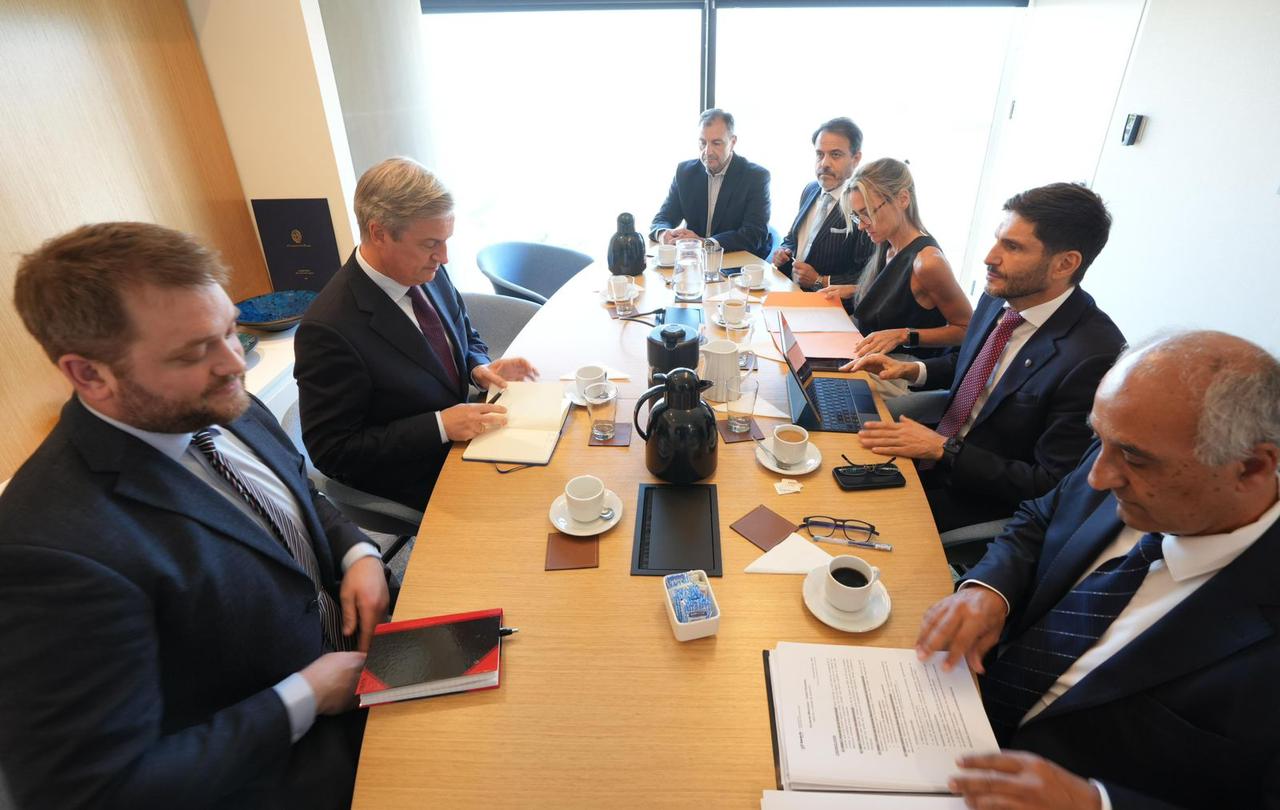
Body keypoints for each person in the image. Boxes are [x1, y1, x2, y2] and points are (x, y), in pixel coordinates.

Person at [0, 222, 389, 809]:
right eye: (193, 352)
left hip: (366, 658)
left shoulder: (220, 401)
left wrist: (356, 552)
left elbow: (300, 496)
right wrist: (306, 695)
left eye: (231, 330)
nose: (234, 363)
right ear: (89, 374)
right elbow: (95, 791)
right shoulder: (50, 548)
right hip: (287, 769)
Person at [920, 331, 1280, 809]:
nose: (1098, 476)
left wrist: (1096, 804)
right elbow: (1041, 517)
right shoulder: (1125, 447)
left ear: (1252, 468)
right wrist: (989, 589)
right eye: (1098, 439)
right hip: (948, 715)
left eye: (1134, 458)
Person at [848, 183, 1125, 532]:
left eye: (1012, 246)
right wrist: (910, 370)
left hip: (976, 497)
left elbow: (1050, 484)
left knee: (852, 521)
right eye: (997, 240)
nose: (989, 257)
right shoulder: (1000, 297)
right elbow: (974, 366)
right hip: (931, 455)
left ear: (1064, 264)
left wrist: (944, 450)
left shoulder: (1094, 356)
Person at [295, 157, 538, 512]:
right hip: (415, 469)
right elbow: (333, 451)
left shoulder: (425, 270)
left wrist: (478, 367)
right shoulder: (329, 329)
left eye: (445, 241)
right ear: (379, 233)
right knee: (528, 509)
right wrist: (440, 426)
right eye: (430, 243)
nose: (444, 257)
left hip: (468, 435)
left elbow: (464, 332)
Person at [825, 158, 971, 360]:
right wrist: (856, 290)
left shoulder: (928, 263)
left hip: (900, 369)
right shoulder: (886, 243)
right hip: (868, 355)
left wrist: (904, 335)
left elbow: (966, 328)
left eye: (868, 213)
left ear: (903, 199)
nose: (861, 225)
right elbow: (902, 294)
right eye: (858, 215)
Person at [648, 108, 772, 258]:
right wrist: (663, 234)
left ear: (732, 142)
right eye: (702, 143)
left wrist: (705, 243)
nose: (707, 152)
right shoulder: (685, 172)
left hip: (735, 261)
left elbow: (754, 233)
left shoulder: (755, 177)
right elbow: (662, 218)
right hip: (694, 261)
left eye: (716, 143)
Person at [770, 117, 875, 291]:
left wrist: (820, 280)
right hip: (789, 289)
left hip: (828, 301)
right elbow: (792, 239)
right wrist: (784, 251)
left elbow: (868, 274)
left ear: (856, 159)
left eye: (835, 155)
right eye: (820, 154)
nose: (824, 163)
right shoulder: (811, 189)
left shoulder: (863, 204)